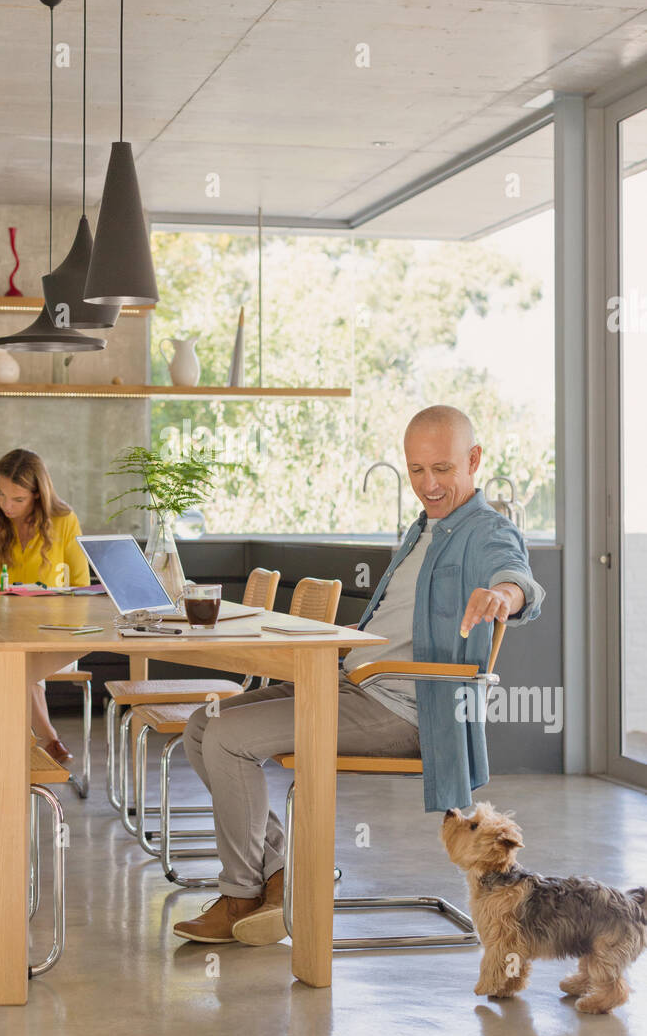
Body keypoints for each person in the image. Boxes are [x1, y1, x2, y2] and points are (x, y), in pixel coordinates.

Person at [173, 405, 545, 947]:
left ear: (474, 460)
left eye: (441, 469)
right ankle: (277, 873)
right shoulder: (425, 529)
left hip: (406, 708)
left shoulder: (487, 530)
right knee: (203, 726)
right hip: (354, 682)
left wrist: (503, 596)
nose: (428, 484)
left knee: (229, 739)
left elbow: (518, 578)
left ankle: (240, 896)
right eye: (416, 470)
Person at [0, 448, 89, 809]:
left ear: (38, 494)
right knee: (7, 663)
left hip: (55, 636)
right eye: (1, 495)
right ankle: (45, 743)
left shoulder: (64, 521)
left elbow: (82, 587)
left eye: (17, 498)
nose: (6, 505)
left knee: (5, 667)